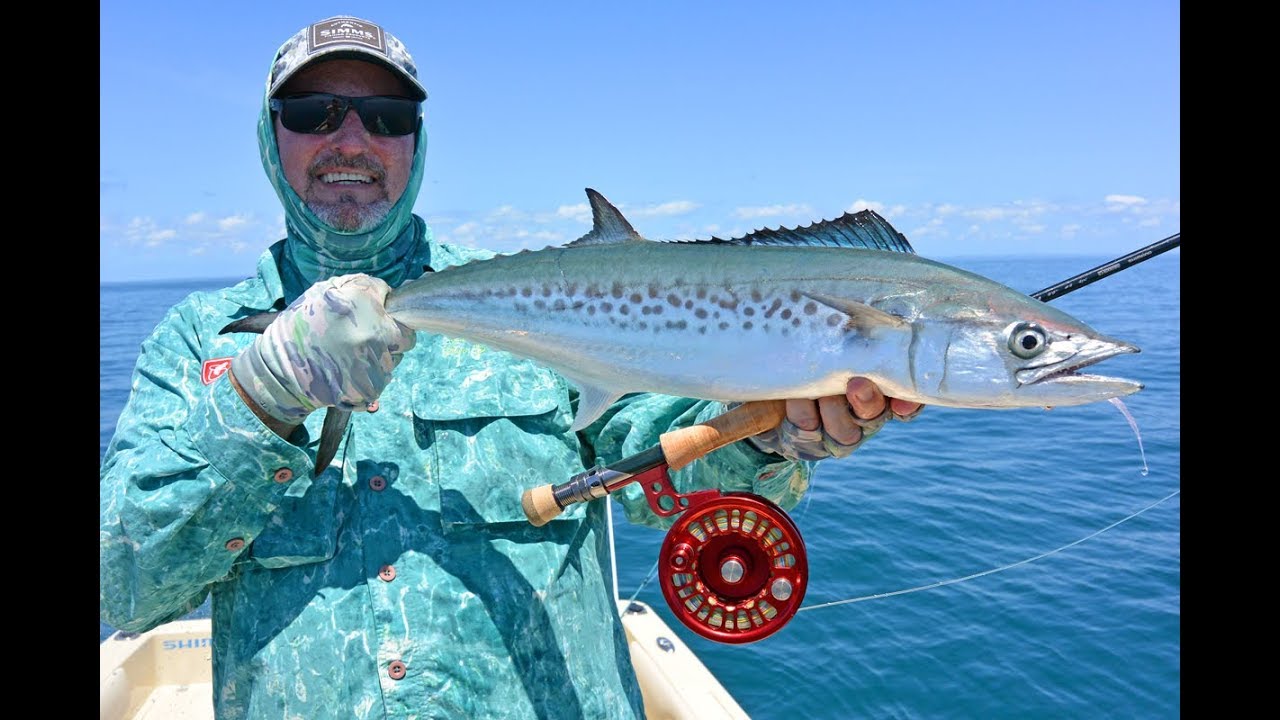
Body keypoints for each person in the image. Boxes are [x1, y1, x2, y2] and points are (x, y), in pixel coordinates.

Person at [99, 14, 924, 720]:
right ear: (269, 134)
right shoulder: (199, 339)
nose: (352, 140)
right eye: (316, 111)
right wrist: (259, 394)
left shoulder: (545, 301)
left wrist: (773, 436)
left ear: (416, 141)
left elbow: (658, 468)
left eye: (387, 116)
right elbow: (120, 586)